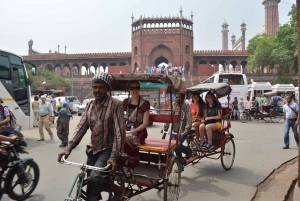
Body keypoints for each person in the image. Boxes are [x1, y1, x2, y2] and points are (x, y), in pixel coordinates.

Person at [58, 72, 126, 200]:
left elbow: (119, 132)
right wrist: (69, 148)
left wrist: (113, 156)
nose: (97, 90)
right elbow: (81, 128)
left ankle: (118, 191)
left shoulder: (115, 105)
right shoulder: (90, 106)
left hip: (108, 149)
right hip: (93, 149)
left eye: (101, 87)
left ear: (107, 88)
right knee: (90, 189)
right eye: (94, 87)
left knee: (96, 178)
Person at [122, 80, 150, 176]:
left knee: (127, 138)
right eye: (132, 88)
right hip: (127, 129)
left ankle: (131, 166)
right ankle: (118, 162)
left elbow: (145, 123)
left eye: (137, 87)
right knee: (114, 136)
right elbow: (119, 116)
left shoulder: (145, 103)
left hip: (139, 131)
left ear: (139, 88)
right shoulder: (125, 102)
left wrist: (132, 132)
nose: (135, 90)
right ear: (129, 89)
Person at [163, 93, 192, 166]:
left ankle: (188, 150)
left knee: (176, 144)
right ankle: (180, 161)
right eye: (177, 97)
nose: (178, 99)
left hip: (183, 130)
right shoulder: (174, 105)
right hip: (174, 129)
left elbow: (189, 118)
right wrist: (165, 127)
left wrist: (187, 129)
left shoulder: (186, 105)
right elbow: (170, 116)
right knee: (174, 146)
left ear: (183, 98)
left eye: (180, 97)